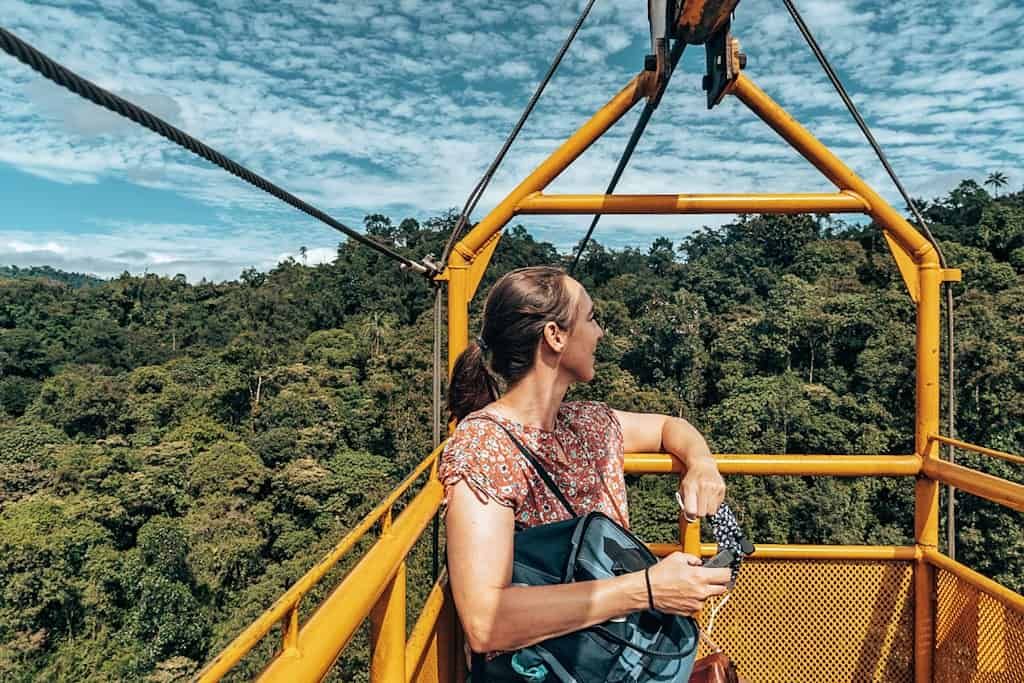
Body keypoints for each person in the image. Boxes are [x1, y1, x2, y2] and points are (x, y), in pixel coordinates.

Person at [439, 265, 731, 663]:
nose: (600, 332)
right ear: (555, 337)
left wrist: (700, 463)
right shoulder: (483, 446)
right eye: (591, 319)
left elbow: (669, 427)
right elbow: (486, 623)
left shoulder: (587, 424)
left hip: (611, 658)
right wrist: (646, 590)